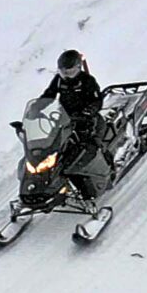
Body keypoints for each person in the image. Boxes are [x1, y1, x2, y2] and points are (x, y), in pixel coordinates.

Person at [34, 49, 110, 201]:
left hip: (88, 120)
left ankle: (107, 169)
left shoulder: (87, 81)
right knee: (53, 145)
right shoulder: (59, 80)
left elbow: (97, 100)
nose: (66, 76)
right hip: (66, 119)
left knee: (91, 145)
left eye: (69, 72)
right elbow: (49, 94)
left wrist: (89, 111)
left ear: (77, 68)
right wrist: (36, 108)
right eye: (63, 72)